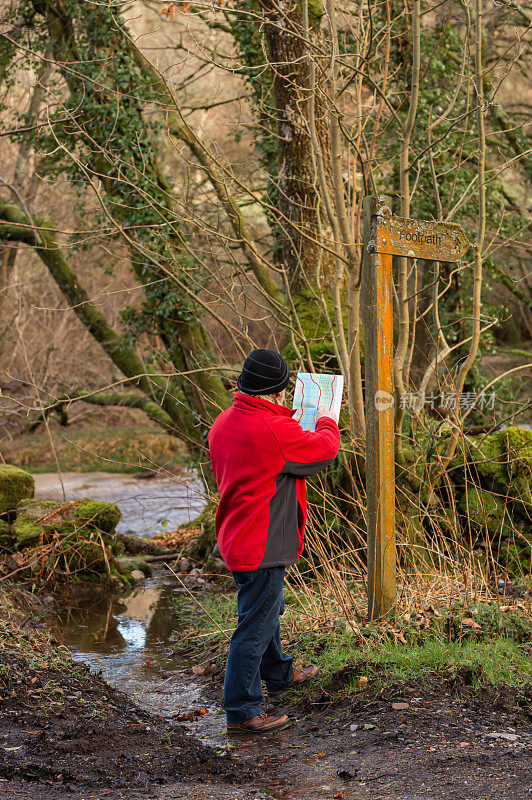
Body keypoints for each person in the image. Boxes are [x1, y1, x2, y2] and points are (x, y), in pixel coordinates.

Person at [208, 349, 340, 734]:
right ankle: (242, 710)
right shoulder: (272, 430)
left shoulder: (223, 423)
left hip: (236, 536)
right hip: (261, 542)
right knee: (254, 626)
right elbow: (324, 450)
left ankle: (279, 674)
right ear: (277, 392)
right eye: (282, 391)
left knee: (266, 610)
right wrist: (328, 419)